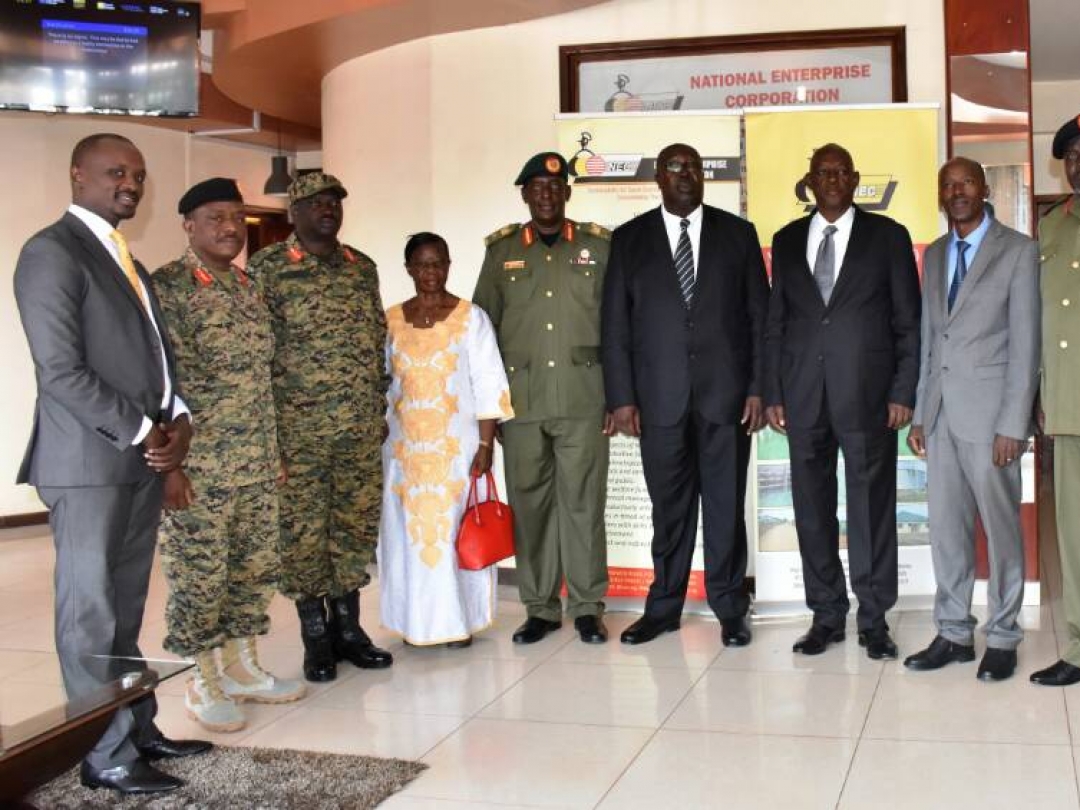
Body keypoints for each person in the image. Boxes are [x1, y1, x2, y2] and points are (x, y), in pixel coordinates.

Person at [13, 133, 210, 795]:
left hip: (138, 461)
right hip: (88, 465)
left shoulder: (127, 259)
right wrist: (146, 429)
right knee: (90, 616)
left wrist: (179, 421)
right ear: (78, 174)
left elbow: (157, 364)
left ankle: (137, 729)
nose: (131, 184)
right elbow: (61, 372)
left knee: (124, 611)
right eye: (115, 172)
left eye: (139, 175)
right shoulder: (50, 252)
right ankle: (104, 755)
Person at [151, 178, 306, 732]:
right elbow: (158, 383)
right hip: (201, 470)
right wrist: (169, 468)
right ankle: (203, 681)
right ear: (188, 225)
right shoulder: (168, 288)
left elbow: (263, 377)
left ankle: (241, 669)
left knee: (253, 570)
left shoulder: (247, 286)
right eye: (215, 217)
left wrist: (274, 452)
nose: (229, 227)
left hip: (256, 462)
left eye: (237, 217)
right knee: (200, 577)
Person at [601, 142, 769, 646]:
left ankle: (729, 607)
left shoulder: (737, 234)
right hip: (658, 402)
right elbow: (615, 325)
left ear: (703, 176)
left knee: (724, 508)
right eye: (674, 167)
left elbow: (760, 320)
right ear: (658, 177)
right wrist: (621, 398)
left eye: (693, 166)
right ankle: (664, 607)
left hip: (726, 400)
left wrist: (758, 388)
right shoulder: (629, 240)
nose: (685, 174)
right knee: (669, 510)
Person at [765, 142, 921, 661]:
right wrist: (774, 391)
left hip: (870, 397)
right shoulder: (787, 240)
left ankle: (873, 619)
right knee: (812, 509)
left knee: (871, 509)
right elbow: (777, 323)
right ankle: (826, 615)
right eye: (822, 173)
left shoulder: (888, 236)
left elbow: (908, 322)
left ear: (854, 180)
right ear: (810, 183)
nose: (832, 179)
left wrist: (902, 391)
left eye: (841, 172)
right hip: (803, 397)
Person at [247, 172, 393, 682]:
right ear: (294, 212)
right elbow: (257, 356)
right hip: (298, 436)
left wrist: (376, 408)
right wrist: (269, 438)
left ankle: (348, 629)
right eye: (315, 202)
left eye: (333, 201)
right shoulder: (267, 268)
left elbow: (375, 343)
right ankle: (315, 637)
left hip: (357, 430)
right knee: (304, 536)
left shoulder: (361, 268)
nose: (327, 209)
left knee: (354, 529)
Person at [904, 158, 1039, 682]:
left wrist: (1014, 424)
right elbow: (930, 339)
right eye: (948, 184)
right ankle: (954, 631)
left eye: (966, 182)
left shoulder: (1018, 251)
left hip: (991, 421)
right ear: (941, 195)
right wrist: (921, 413)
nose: (957, 190)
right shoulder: (937, 253)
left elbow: (1025, 344)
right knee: (946, 530)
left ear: (983, 190)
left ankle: (1003, 635)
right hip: (940, 417)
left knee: (1001, 531)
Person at [473, 152, 613, 645]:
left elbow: (619, 326)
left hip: (584, 400)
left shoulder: (598, 247)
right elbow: (482, 333)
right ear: (525, 195)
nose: (547, 195)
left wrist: (618, 397)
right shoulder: (502, 252)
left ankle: (588, 606)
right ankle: (540, 607)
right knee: (530, 506)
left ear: (567, 192)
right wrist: (489, 411)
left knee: (584, 505)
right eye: (537, 188)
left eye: (555, 187)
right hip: (522, 405)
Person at [379, 232, 515, 646]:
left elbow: (489, 383)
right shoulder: (390, 320)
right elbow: (379, 384)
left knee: (454, 533)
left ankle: (459, 622)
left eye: (438, 263)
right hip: (404, 452)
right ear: (409, 269)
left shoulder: (471, 318)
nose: (431, 272)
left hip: (456, 450)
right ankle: (415, 624)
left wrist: (485, 446)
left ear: (449, 266)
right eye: (422, 264)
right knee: (408, 536)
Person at [1031, 115, 1080, 687]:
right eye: (1071, 156)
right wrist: (1040, 390)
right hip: (1068, 403)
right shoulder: (1050, 228)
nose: (1078, 164)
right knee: (1074, 534)